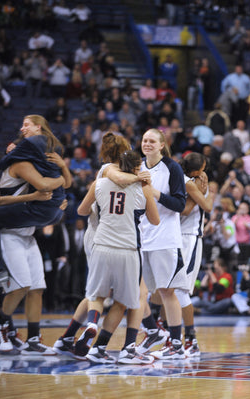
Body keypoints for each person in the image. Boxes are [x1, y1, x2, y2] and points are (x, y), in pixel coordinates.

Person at [52, 133, 152, 359]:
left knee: (94, 293)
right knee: (115, 295)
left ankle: (68, 337)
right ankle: (112, 343)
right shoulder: (110, 170)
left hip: (102, 236)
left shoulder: (104, 175)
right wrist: (141, 179)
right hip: (107, 236)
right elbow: (125, 181)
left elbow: (82, 209)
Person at [77, 150, 160, 364]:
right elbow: (155, 220)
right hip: (128, 250)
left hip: (101, 246)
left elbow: (82, 210)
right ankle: (123, 350)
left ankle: (92, 324)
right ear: (137, 168)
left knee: (96, 295)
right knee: (125, 302)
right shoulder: (143, 188)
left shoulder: (100, 184)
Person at [0, 115, 72, 286]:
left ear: (38, 127)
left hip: (39, 209)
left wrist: (12, 152)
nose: (22, 128)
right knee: (35, 288)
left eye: (26, 125)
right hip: (55, 211)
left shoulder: (27, 150)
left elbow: (2, 165)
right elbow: (68, 182)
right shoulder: (54, 146)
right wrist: (62, 173)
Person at [0, 157, 61, 353]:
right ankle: (0, 326)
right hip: (7, 236)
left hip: (27, 237)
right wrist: (35, 197)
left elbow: (60, 183)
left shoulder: (20, 179)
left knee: (37, 288)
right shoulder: (12, 176)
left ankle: (32, 340)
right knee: (20, 286)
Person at [136, 129, 187, 359]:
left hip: (165, 238)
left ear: (161, 145)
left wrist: (154, 193)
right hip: (140, 238)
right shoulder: (136, 167)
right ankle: (153, 331)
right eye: (144, 140)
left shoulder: (172, 168)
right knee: (135, 292)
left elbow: (179, 204)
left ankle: (177, 345)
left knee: (167, 291)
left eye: (152, 141)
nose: (147, 144)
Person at [175, 152, 215, 356]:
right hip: (187, 236)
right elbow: (207, 206)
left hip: (179, 236)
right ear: (199, 169)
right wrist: (207, 192)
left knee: (170, 289)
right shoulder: (192, 183)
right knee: (178, 290)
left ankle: (171, 337)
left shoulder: (184, 179)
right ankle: (187, 339)